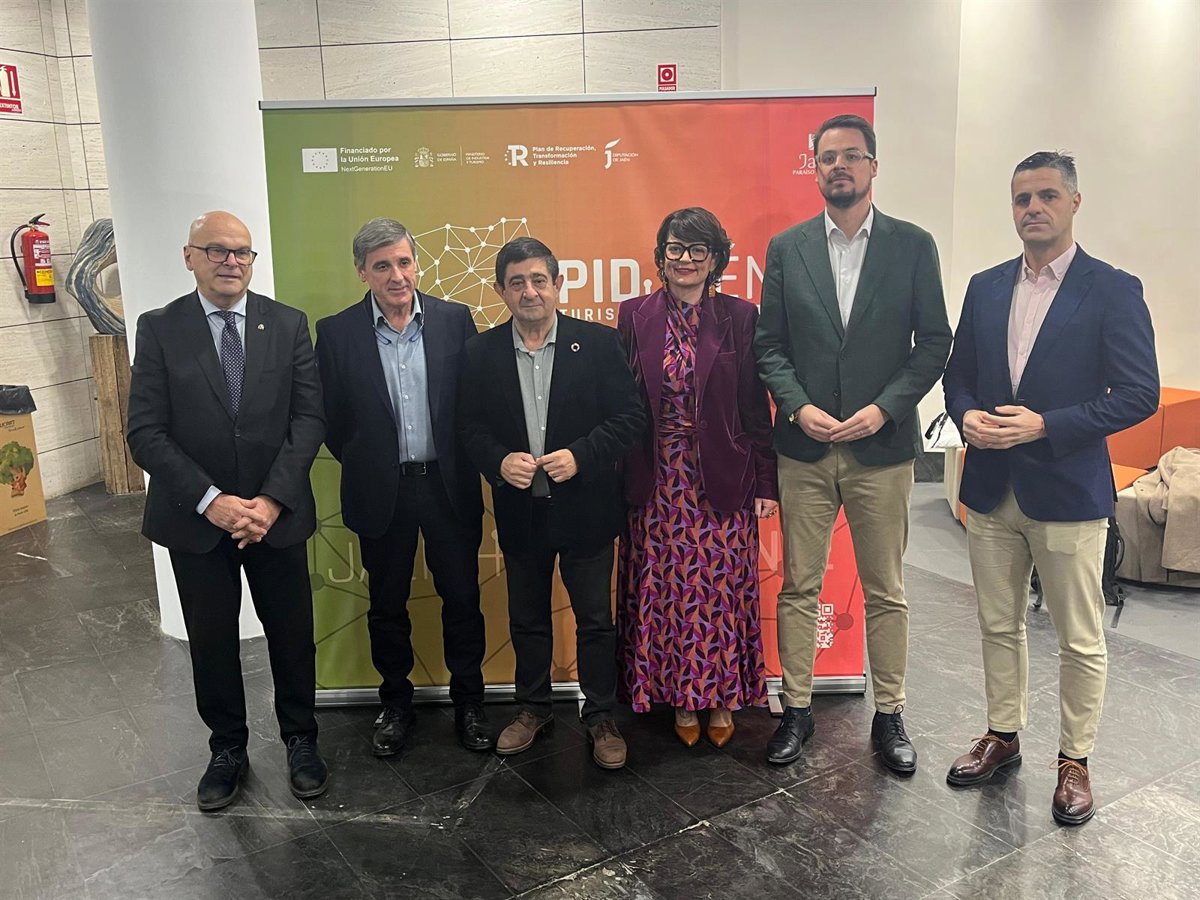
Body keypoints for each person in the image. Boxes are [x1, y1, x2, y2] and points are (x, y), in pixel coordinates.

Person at [943, 151, 1158, 825]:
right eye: (1021, 198)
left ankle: (1074, 760)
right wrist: (965, 414)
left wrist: (1047, 425)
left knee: (1079, 636)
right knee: (997, 623)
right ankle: (1002, 735)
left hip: (1067, 489)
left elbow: (1139, 393)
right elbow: (958, 376)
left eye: (1045, 196)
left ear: (1073, 203)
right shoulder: (985, 287)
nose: (1032, 208)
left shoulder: (1112, 289)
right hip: (990, 488)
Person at [754, 114, 952, 774]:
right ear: (814, 168)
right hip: (804, 448)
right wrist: (799, 407)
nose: (838, 165)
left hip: (881, 448)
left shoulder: (912, 245)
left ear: (873, 166)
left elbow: (935, 343)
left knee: (885, 589)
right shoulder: (788, 248)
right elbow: (769, 346)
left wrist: (883, 409)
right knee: (798, 586)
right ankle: (796, 709)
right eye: (827, 157)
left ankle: (890, 712)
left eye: (851, 155)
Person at [127, 211, 328, 811]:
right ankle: (227, 750)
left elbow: (308, 420)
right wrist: (210, 500)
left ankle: (301, 741)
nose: (231, 261)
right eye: (216, 250)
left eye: (241, 252)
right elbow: (145, 432)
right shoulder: (160, 328)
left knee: (291, 636)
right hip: (197, 522)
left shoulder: (287, 324)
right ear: (189, 256)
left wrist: (270, 500)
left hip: (276, 518)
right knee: (211, 641)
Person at [458, 237, 646, 769]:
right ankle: (532, 708)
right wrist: (498, 461)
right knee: (528, 620)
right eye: (516, 282)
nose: (529, 291)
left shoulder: (599, 343)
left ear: (558, 285)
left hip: (587, 510)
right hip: (522, 511)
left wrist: (582, 454)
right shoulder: (480, 353)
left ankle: (601, 715)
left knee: (595, 621)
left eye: (539, 280)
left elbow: (631, 419)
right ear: (500, 291)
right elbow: (468, 428)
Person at [315, 217, 491, 757]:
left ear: (417, 263)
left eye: (404, 262)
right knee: (386, 605)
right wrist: (370, 460)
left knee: (462, 599)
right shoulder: (336, 333)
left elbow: (474, 405)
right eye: (382, 266)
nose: (397, 275)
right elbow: (332, 420)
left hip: (447, 487)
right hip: (381, 490)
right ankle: (395, 705)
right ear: (362, 272)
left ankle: (470, 704)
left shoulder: (454, 320)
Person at [616, 207, 777, 749]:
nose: (685, 259)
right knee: (665, 592)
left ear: (715, 259)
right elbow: (622, 404)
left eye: (697, 250)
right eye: (675, 248)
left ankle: (722, 696)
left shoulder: (741, 316)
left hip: (722, 477)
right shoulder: (634, 315)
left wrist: (766, 482)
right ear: (661, 257)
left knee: (718, 592)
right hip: (656, 478)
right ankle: (682, 699)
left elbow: (755, 407)